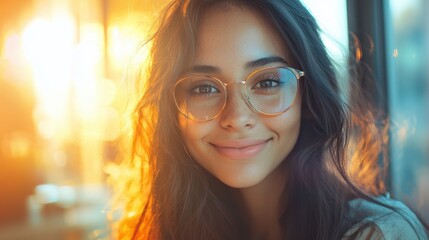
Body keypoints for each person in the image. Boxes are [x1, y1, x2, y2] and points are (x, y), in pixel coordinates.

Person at [112, 0, 429, 239]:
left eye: (267, 82)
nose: (236, 118)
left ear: (308, 96)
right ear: (172, 111)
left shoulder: (377, 233)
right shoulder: (163, 230)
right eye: (204, 88)